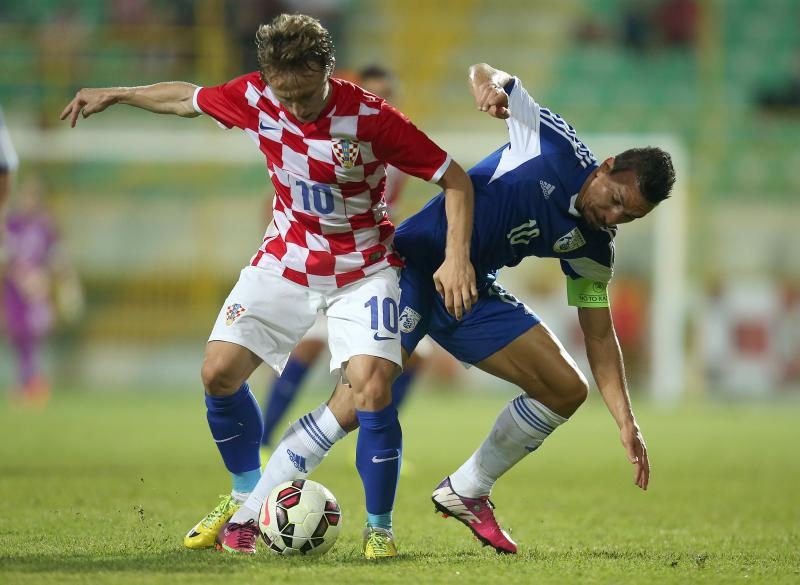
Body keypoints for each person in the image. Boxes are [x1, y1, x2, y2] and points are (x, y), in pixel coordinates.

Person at [60, 13, 477, 558]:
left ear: (327, 70)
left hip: (364, 267)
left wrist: (457, 257)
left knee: (373, 391)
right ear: (268, 78)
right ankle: (245, 496)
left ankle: (379, 529)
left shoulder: (372, 117)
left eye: (307, 93)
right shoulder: (256, 96)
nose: (298, 107)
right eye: (287, 95)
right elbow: (188, 97)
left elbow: (455, 178)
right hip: (286, 258)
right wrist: (116, 94)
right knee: (217, 373)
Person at [228, 61, 673, 554]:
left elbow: (598, 334)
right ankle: (247, 516)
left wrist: (626, 421)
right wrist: (487, 86)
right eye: (614, 200)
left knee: (566, 389)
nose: (611, 217)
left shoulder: (594, 247)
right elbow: (492, 74)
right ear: (606, 165)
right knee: (353, 404)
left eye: (627, 217)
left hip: (468, 292)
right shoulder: (554, 147)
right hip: (411, 265)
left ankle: (469, 488)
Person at [259, 64, 425, 450]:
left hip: (375, 261)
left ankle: (376, 442)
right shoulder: (331, 137)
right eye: (373, 92)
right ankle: (266, 443)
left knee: (413, 357)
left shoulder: (397, 140)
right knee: (310, 346)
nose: (380, 99)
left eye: (387, 92)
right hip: (327, 256)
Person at [2, 176, 83, 405]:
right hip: (14, 293)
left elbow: (58, 259)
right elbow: (5, 257)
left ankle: (32, 384)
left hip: (38, 293)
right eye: (26, 194)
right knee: (17, 337)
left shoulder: (46, 226)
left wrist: (51, 282)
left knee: (32, 336)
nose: (28, 200)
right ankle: (27, 383)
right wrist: (19, 277)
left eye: (33, 196)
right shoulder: (10, 224)